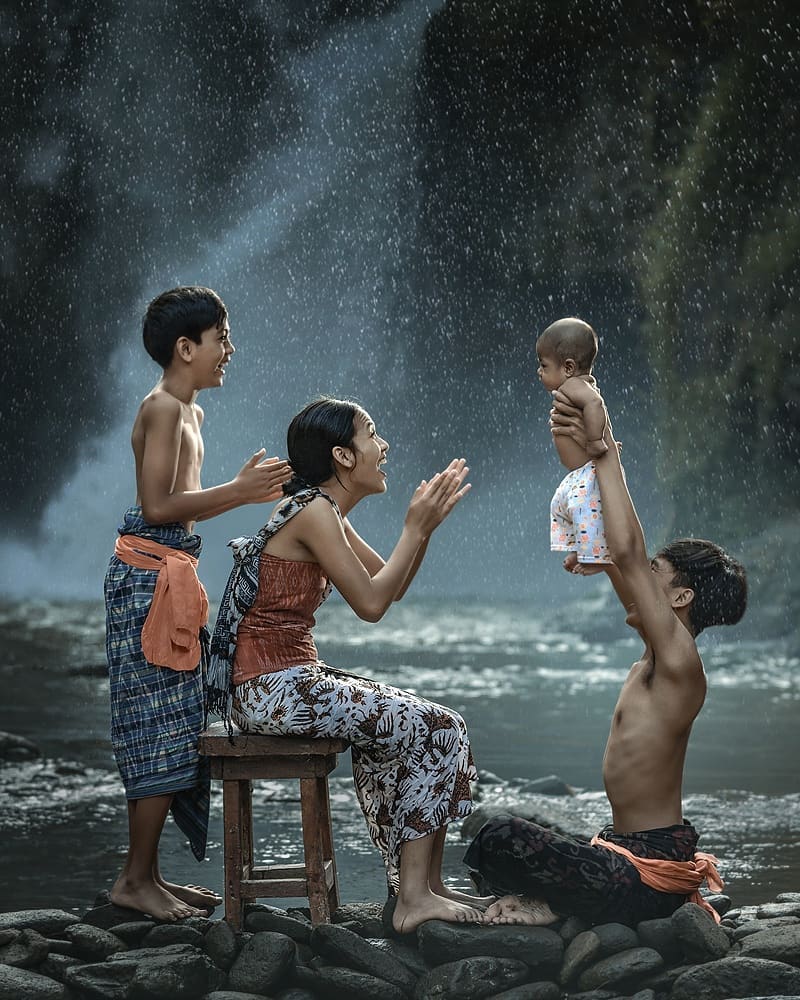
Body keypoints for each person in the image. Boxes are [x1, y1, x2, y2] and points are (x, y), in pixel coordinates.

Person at [464, 387, 747, 928]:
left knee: (499, 835)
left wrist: (605, 449)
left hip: (646, 872)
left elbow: (629, 550)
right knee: (493, 834)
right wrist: (600, 554)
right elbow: (623, 563)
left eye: (657, 576)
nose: (642, 584)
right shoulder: (658, 650)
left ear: (681, 597)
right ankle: (553, 907)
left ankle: (554, 910)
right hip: (625, 851)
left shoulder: (680, 662)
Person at [207, 396, 490, 933]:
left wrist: (423, 529)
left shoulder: (323, 510)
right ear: (342, 455)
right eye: (373, 436)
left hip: (288, 680)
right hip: (269, 687)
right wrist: (412, 524)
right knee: (436, 726)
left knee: (436, 728)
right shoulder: (312, 512)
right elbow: (372, 606)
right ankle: (412, 896)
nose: (383, 448)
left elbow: (390, 582)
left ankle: (423, 888)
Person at [104, 285, 291, 921]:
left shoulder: (193, 413)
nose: (229, 351)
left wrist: (239, 489)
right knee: (155, 724)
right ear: (186, 348)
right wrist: (239, 493)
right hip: (148, 577)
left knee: (174, 722)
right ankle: (135, 880)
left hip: (171, 575)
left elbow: (178, 500)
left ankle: (148, 876)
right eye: (221, 338)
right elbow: (157, 507)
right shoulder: (161, 407)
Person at [537, 317, 611, 577]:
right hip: (577, 473)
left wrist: (595, 441)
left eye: (543, 365)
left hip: (588, 469)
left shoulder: (577, 386)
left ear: (568, 367)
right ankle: (583, 548)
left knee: (582, 507)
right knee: (561, 505)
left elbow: (595, 405)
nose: (539, 371)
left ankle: (598, 555)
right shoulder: (569, 387)